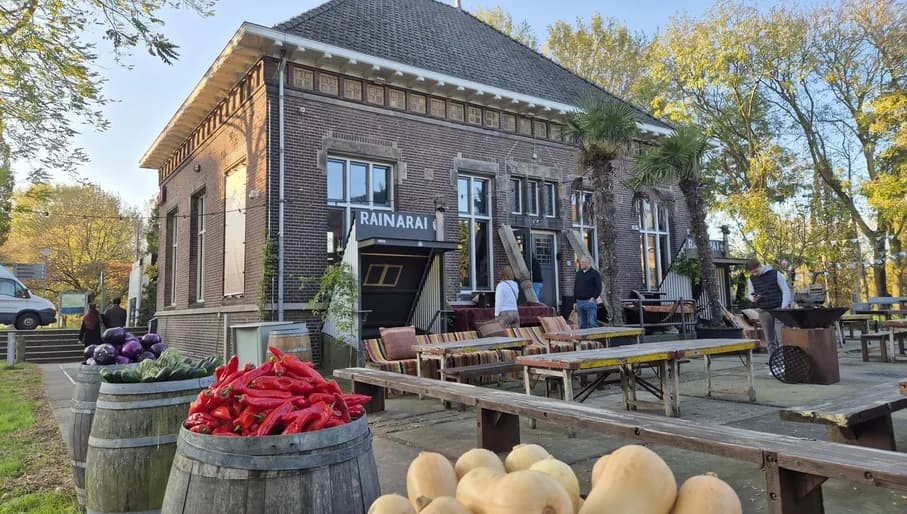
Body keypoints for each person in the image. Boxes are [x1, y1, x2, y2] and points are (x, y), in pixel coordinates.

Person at [746, 258, 791, 353]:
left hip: (779, 309)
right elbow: (750, 293)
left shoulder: (776, 274)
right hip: (763, 310)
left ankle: (785, 361)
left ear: (760, 266)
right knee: (769, 339)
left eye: (756, 271)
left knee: (781, 338)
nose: (754, 274)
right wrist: (753, 298)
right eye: (752, 272)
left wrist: (784, 307)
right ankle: (774, 363)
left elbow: (786, 290)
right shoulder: (751, 279)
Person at [573, 256, 602, 329]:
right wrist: (574, 301)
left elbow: (599, 287)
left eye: (583, 262)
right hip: (579, 302)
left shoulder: (595, 273)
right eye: (581, 262)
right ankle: (584, 340)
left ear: (589, 263)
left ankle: (595, 340)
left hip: (589, 302)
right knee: (582, 325)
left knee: (592, 324)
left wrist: (593, 298)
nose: (581, 264)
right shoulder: (578, 274)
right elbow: (575, 288)